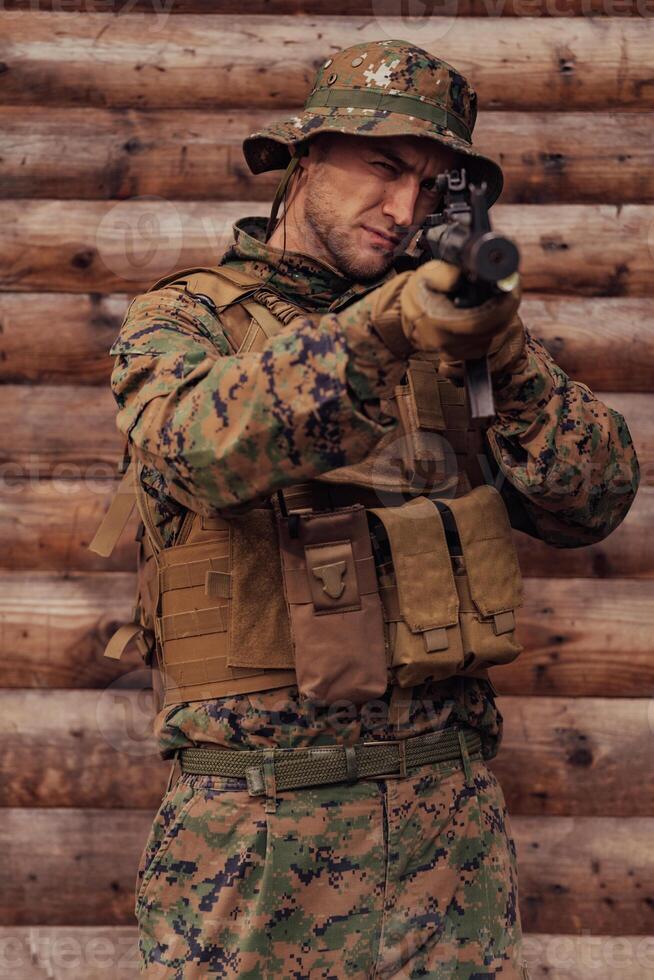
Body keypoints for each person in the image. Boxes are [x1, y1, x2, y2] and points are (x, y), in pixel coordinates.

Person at [95, 40, 639, 979]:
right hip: (256, 843)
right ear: (306, 158)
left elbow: (595, 498)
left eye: (430, 187)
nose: (402, 210)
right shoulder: (185, 321)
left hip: (447, 839)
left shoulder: (457, 339)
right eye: (383, 167)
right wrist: (386, 329)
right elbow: (196, 447)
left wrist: (503, 357)